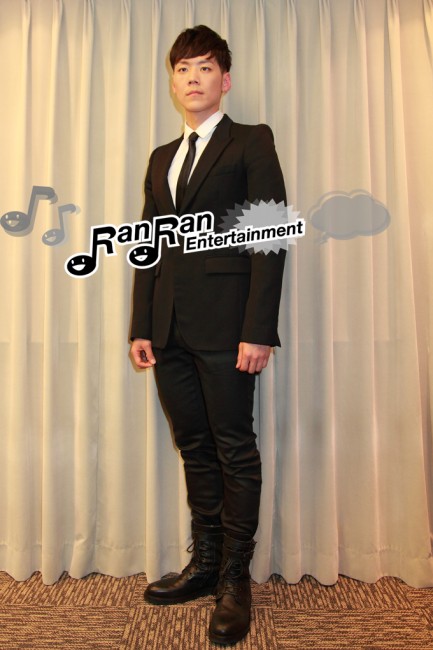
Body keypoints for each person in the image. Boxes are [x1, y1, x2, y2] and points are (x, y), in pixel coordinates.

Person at [130, 25, 286, 646]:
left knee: (233, 449)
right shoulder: (160, 157)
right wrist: (141, 325)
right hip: (168, 329)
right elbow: (147, 244)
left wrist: (258, 329)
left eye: (204, 67)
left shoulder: (252, 141)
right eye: (182, 69)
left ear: (226, 80)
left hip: (228, 328)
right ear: (172, 83)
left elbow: (271, 237)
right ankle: (204, 565)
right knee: (193, 445)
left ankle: (234, 580)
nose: (192, 78)